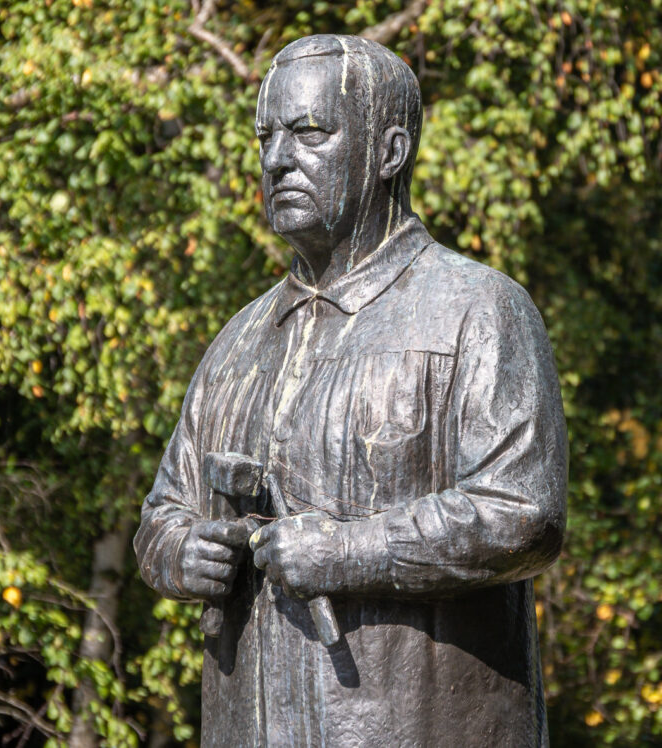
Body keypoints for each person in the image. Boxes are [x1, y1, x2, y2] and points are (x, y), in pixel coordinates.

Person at [133, 35, 567, 747]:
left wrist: (350, 550)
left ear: (389, 150)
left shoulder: (478, 311)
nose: (277, 160)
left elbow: (524, 513)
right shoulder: (237, 341)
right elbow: (160, 516)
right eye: (266, 138)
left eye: (309, 133)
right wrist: (185, 551)